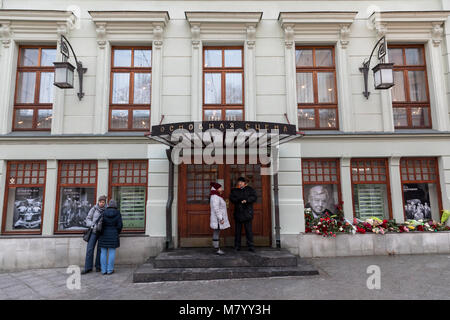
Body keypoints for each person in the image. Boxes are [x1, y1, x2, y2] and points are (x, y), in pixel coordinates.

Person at [229, 177, 257, 252]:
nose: (240, 183)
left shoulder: (250, 189)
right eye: (239, 182)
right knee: (237, 231)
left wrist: (247, 200)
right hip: (238, 213)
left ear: (245, 183)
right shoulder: (234, 190)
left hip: (247, 213)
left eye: (241, 182)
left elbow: (254, 197)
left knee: (249, 231)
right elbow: (232, 198)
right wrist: (239, 200)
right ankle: (237, 246)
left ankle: (251, 246)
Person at [81, 195, 106, 274]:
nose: (102, 203)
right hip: (94, 232)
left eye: (103, 202)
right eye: (100, 202)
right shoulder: (94, 209)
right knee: (90, 249)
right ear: (98, 202)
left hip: (102, 232)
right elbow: (87, 219)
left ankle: (98, 266)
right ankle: (88, 267)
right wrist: (92, 225)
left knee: (100, 250)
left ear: (105, 203)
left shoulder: (106, 210)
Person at [98, 199, 123, 275]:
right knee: (112, 252)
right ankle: (110, 270)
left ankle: (103, 270)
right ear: (115, 205)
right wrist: (116, 232)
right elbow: (120, 225)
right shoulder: (117, 213)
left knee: (103, 253)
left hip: (103, 234)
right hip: (113, 234)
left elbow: (100, 224)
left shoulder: (104, 212)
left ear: (108, 205)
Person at [209, 182, 231, 255]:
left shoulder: (217, 196)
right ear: (216, 188)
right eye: (220, 187)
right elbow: (216, 209)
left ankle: (216, 248)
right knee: (216, 232)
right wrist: (221, 218)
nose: (222, 189)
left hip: (217, 219)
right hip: (217, 219)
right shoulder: (215, 197)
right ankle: (216, 249)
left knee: (217, 232)